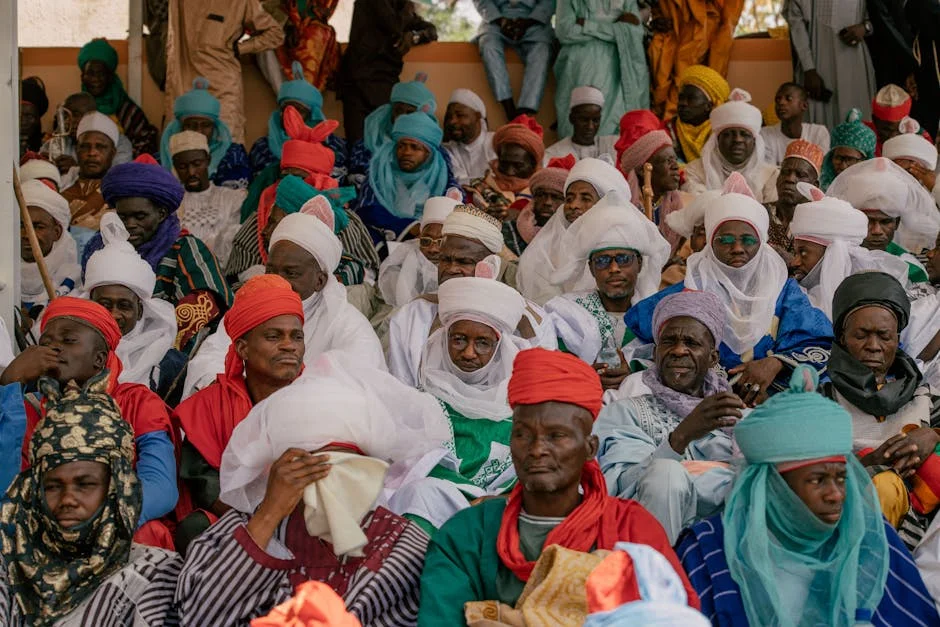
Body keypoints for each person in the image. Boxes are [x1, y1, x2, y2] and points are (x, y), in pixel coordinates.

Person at [417, 348, 699, 625]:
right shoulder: (466, 534)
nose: (537, 449)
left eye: (556, 435)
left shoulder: (633, 528)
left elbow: (673, 617)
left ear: (590, 448)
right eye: (522, 435)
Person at [175, 364, 449, 625]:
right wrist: (269, 514)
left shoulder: (401, 545)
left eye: (348, 469)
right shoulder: (239, 529)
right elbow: (200, 617)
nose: (331, 486)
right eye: (312, 469)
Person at [678, 365, 939, 626]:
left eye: (841, 478)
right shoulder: (708, 549)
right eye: (818, 480)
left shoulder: (868, 535)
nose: (836, 495)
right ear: (773, 485)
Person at [628, 178, 833, 403]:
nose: (737, 249)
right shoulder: (687, 293)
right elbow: (638, 342)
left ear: (762, 243)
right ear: (710, 243)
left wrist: (775, 363)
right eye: (725, 240)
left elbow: (818, 341)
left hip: (772, 403)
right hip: (701, 403)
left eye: (748, 240)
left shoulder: (784, 292)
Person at [0, 375, 182, 626]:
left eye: (85, 485)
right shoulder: (11, 564)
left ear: (117, 486)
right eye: (52, 486)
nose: (67, 499)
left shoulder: (153, 574)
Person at [182, 196, 385, 398]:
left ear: (320, 281)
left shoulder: (349, 326)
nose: (277, 281)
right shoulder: (251, 308)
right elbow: (210, 359)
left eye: (291, 273)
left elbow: (357, 391)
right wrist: (236, 395)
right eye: (271, 270)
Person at [0, 298, 177, 528]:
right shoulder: (27, 408)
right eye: (46, 342)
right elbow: (7, 488)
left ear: (99, 359)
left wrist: (95, 517)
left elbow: (160, 486)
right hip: (46, 525)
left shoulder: (137, 402)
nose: (53, 348)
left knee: (150, 532)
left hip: (116, 522)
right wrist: (10, 383)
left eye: (68, 340)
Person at [172, 274, 304, 551]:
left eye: (297, 336)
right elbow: (204, 483)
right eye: (273, 336)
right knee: (196, 529)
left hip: (306, 521)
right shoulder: (209, 406)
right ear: (242, 348)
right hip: (235, 520)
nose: (289, 345)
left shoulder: (322, 400)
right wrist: (262, 518)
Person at [597, 291, 742, 543]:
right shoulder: (624, 412)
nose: (678, 351)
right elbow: (620, 488)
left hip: (723, 544)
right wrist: (680, 438)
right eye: (668, 342)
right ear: (655, 353)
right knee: (665, 473)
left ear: (713, 357)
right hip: (648, 542)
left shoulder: (738, 417)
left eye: (692, 343)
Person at [387, 276, 528, 532]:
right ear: (444, 340)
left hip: (499, 512)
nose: (469, 353)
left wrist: (500, 501)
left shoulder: (519, 408)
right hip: (432, 507)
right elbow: (409, 468)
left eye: (483, 343)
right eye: (459, 339)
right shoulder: (421, 402)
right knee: (423, 493)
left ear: (499, 349)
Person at [822, 273, 940, 544]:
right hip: (846, 516)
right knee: (883, 485)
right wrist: (867, 464)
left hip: (924, 521)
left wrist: (932, 434)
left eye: (884, 336)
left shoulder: (921, 395)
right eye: (861, 335)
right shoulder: (820, 399)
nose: (873, 346)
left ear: (897, 339)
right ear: (842, 338)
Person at [386, 205, 557, 388]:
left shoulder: (529, 319)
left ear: (490, 266)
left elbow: (540, 384)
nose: (450, 269)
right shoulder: (413, 314)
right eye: (445, 260)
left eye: (464, 262)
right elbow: (399, 386)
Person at [80, 157, 234, 354]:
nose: (130, 224)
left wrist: (150, 337)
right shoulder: (100, 248)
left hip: (167, 349)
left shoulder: (184, 247)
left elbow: (207, 302)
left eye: (140, 216)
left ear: (161, 214)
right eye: (123, 217)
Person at [544, 192, 670, 387]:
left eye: (623, 259)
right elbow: (552, 364)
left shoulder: (658, 314)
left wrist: (635, 371)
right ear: (591, 268)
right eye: (602, 261)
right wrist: (583, 374)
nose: (614, 269)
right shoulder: (566, 314)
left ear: (639, 263)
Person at [82, 213, 180, 395]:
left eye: (124, 305)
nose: (113, 315)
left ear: (141, 310)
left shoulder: (168, 363)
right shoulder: (72, 355)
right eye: (104, 305)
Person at [164, 0, 284, 145]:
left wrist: (240, 49)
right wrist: (240, 48)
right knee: (184, 152)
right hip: (186, 88)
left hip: (220, 90)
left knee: (225, 149)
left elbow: (275, 34)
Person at [516, 158, 630, 305]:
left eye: (585, 198)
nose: (573, 205)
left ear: (604, 203)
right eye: (569, 199)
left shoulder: (625, 245)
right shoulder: (546, 247)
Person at [789, 186, 910, 321]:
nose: (795, 262)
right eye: (795, 253)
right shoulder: (793, 293)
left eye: (803, 253)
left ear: (832, 254)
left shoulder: (869, 304)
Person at [337, 0, 437, 144]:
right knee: (357, 148)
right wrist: (408, 10)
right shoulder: (397, 9)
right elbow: (394, 25)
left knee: (385, 148)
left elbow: (431, 30)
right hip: (358, 80)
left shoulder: (401, 8)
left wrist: (414, 36)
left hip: (385, 82)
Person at [827, 157, 940, 282]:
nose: (877, 231)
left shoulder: (911, 269)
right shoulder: (835, 258)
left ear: (896, 223)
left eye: (885, 222)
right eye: (868, 221)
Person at [354, 111, 459, 243]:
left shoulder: (443, 179)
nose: (406, 152)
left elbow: (454, 213)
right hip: (386, 242)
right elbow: (366, 211)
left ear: (428, 154)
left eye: (415, 147)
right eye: (401, 146)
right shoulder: (379, 173)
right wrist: (408, 226)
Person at [554, 0, 650, 139]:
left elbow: (635, 31)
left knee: (618, 126)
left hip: (622, 61)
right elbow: (565, 31)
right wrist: (616, 28)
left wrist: (587, 25)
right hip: (580, 62)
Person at [248, 61, 346, 186]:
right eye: (285, 109)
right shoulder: (262, 147)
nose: (289, 115)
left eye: (298, 110)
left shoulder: (335, 146)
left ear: (313, 115)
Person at [784, 0, 876, 129]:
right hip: (817, 65)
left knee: (856, 122)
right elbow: (795, 21)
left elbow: (882, 17)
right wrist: (809, 68)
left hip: (855, 64)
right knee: (819, 127)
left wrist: (865, 27)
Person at [647, 3, 743, 121]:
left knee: (686, 78)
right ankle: (667, 121)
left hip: (706, 27)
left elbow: (729, 17)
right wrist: (657, 18)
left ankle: (671, 119)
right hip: (671, 30)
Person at [683, 89, 779, 203]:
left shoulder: (771, 175)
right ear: (717, 140)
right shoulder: (694, 171)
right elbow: (697, 210)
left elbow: (772, 216)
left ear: (755, 141)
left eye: (744, 134)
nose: (737, 140)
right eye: (729, 134)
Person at [170, 131, 246, 268]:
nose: (191, 172)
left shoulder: (233, 198)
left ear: (208, 160)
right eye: (182, 167)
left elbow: (233, 239)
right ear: (175, 167)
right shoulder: (172, 203)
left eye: (197, 164)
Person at [159, 77, 251, 191]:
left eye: (206, 125)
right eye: (191, 125)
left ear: (215, 127)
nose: (199, 131)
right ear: (180, 127)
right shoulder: (160, 159)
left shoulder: (233, 155)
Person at [615, 110, 685, 251]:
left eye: (675, 159)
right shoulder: (622, 211)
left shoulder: (682, 207)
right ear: (643, 170)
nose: (676, 166)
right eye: (667, 160)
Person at [472, 0, 554, 120]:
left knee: (542, 51)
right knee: (488, 46)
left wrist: (527, 22)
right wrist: (501, 21)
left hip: (535, 21)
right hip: (496, 19)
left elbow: (550, 3)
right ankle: (508, 107)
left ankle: (525, 111)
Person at [76, 39, 159, 157]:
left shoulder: (129, 112)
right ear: (82, 77)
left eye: (101, 73)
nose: (95, 79)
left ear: (110, 77)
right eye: (90, 73)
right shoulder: (76, 110)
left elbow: (145, 147)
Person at [378, 196, 460, 309]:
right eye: (426, 241)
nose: (433, 249)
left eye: (441, 242)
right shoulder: (398, 266)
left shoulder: (463, 271)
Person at [39, 92, 133, 189]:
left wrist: (77, 169)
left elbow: (117, 178)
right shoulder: (55, 142)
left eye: (76, 115)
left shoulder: (119, 143)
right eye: (65, 116)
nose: (68, 121)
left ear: (92, 115)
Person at [464, 115, 545, 227]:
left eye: (518, 165)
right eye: (504, 164)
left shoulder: (546, 193)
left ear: (534, 165)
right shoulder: (478, 189)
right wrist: (484, 218)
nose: (510, 172)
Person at [18, 180, 81, 321]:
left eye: (38, 227)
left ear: (57, 232)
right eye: (20, 226)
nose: (27, 235)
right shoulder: (4, 276)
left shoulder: (74, 282)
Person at [60, 111, 119, 233]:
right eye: (85, 146)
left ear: (113, 153)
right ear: (77, 150)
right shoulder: (61, 186)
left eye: (100, 147)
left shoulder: (120, 191)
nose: (92, 153)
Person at [765, 139, 823, 259]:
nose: (790, 179)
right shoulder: (760, 212)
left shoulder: (820, 223)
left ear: (815, 186)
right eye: (785, 172)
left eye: (800, 175)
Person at [508, 154, 574, 255]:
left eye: (556, 197)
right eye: (541, 195)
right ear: (533, 197)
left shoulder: (575, 236)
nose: (547, 202)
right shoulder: (509, 230)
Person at [664, 65, 730, 163]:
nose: (683, 103)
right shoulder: (666, 130)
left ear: (709, 106)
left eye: (691, 99)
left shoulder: (723, 133)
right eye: (681, 98)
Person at [760, 82, 831, 165]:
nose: (781, 102)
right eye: (778, 99)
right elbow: (768, 173)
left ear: (804, 105)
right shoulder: (765, 134)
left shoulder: (818, 133)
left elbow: (821, 169)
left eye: (788, 98)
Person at [544, 86, 619, 162]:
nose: (590, 127)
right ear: (572, 119)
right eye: (584, 120)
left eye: (595, 120)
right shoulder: (554, 154)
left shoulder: (613, 146)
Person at [443, 88, 495, 185]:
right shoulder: (447, 150)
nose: (452, 121)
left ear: (477, 116)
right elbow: (457, 182)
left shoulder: (495, 143)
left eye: (460, 115)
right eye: (449, 116)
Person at [882, 117, 940, 201]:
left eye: (912, 171)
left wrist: (935, 189)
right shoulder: (880, 192)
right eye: (902, 170)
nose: (912, 165)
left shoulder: (929, 197)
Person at [866, 84, 933, 156]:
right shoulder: (862, 137)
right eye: (886, 130)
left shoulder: (920, 139)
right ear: (874, 120)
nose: (892, 136)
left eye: (899, 129)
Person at [819, 107, 877, 189]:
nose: (843, 166)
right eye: (838, 158)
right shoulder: (821, 186)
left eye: (850, 159)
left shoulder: (874, 189)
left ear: (865, 161)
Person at [19, 77, 47, 157]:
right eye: (19, 116)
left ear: (38, 119)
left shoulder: (48, 148)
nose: (23, 122)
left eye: (29, 116)